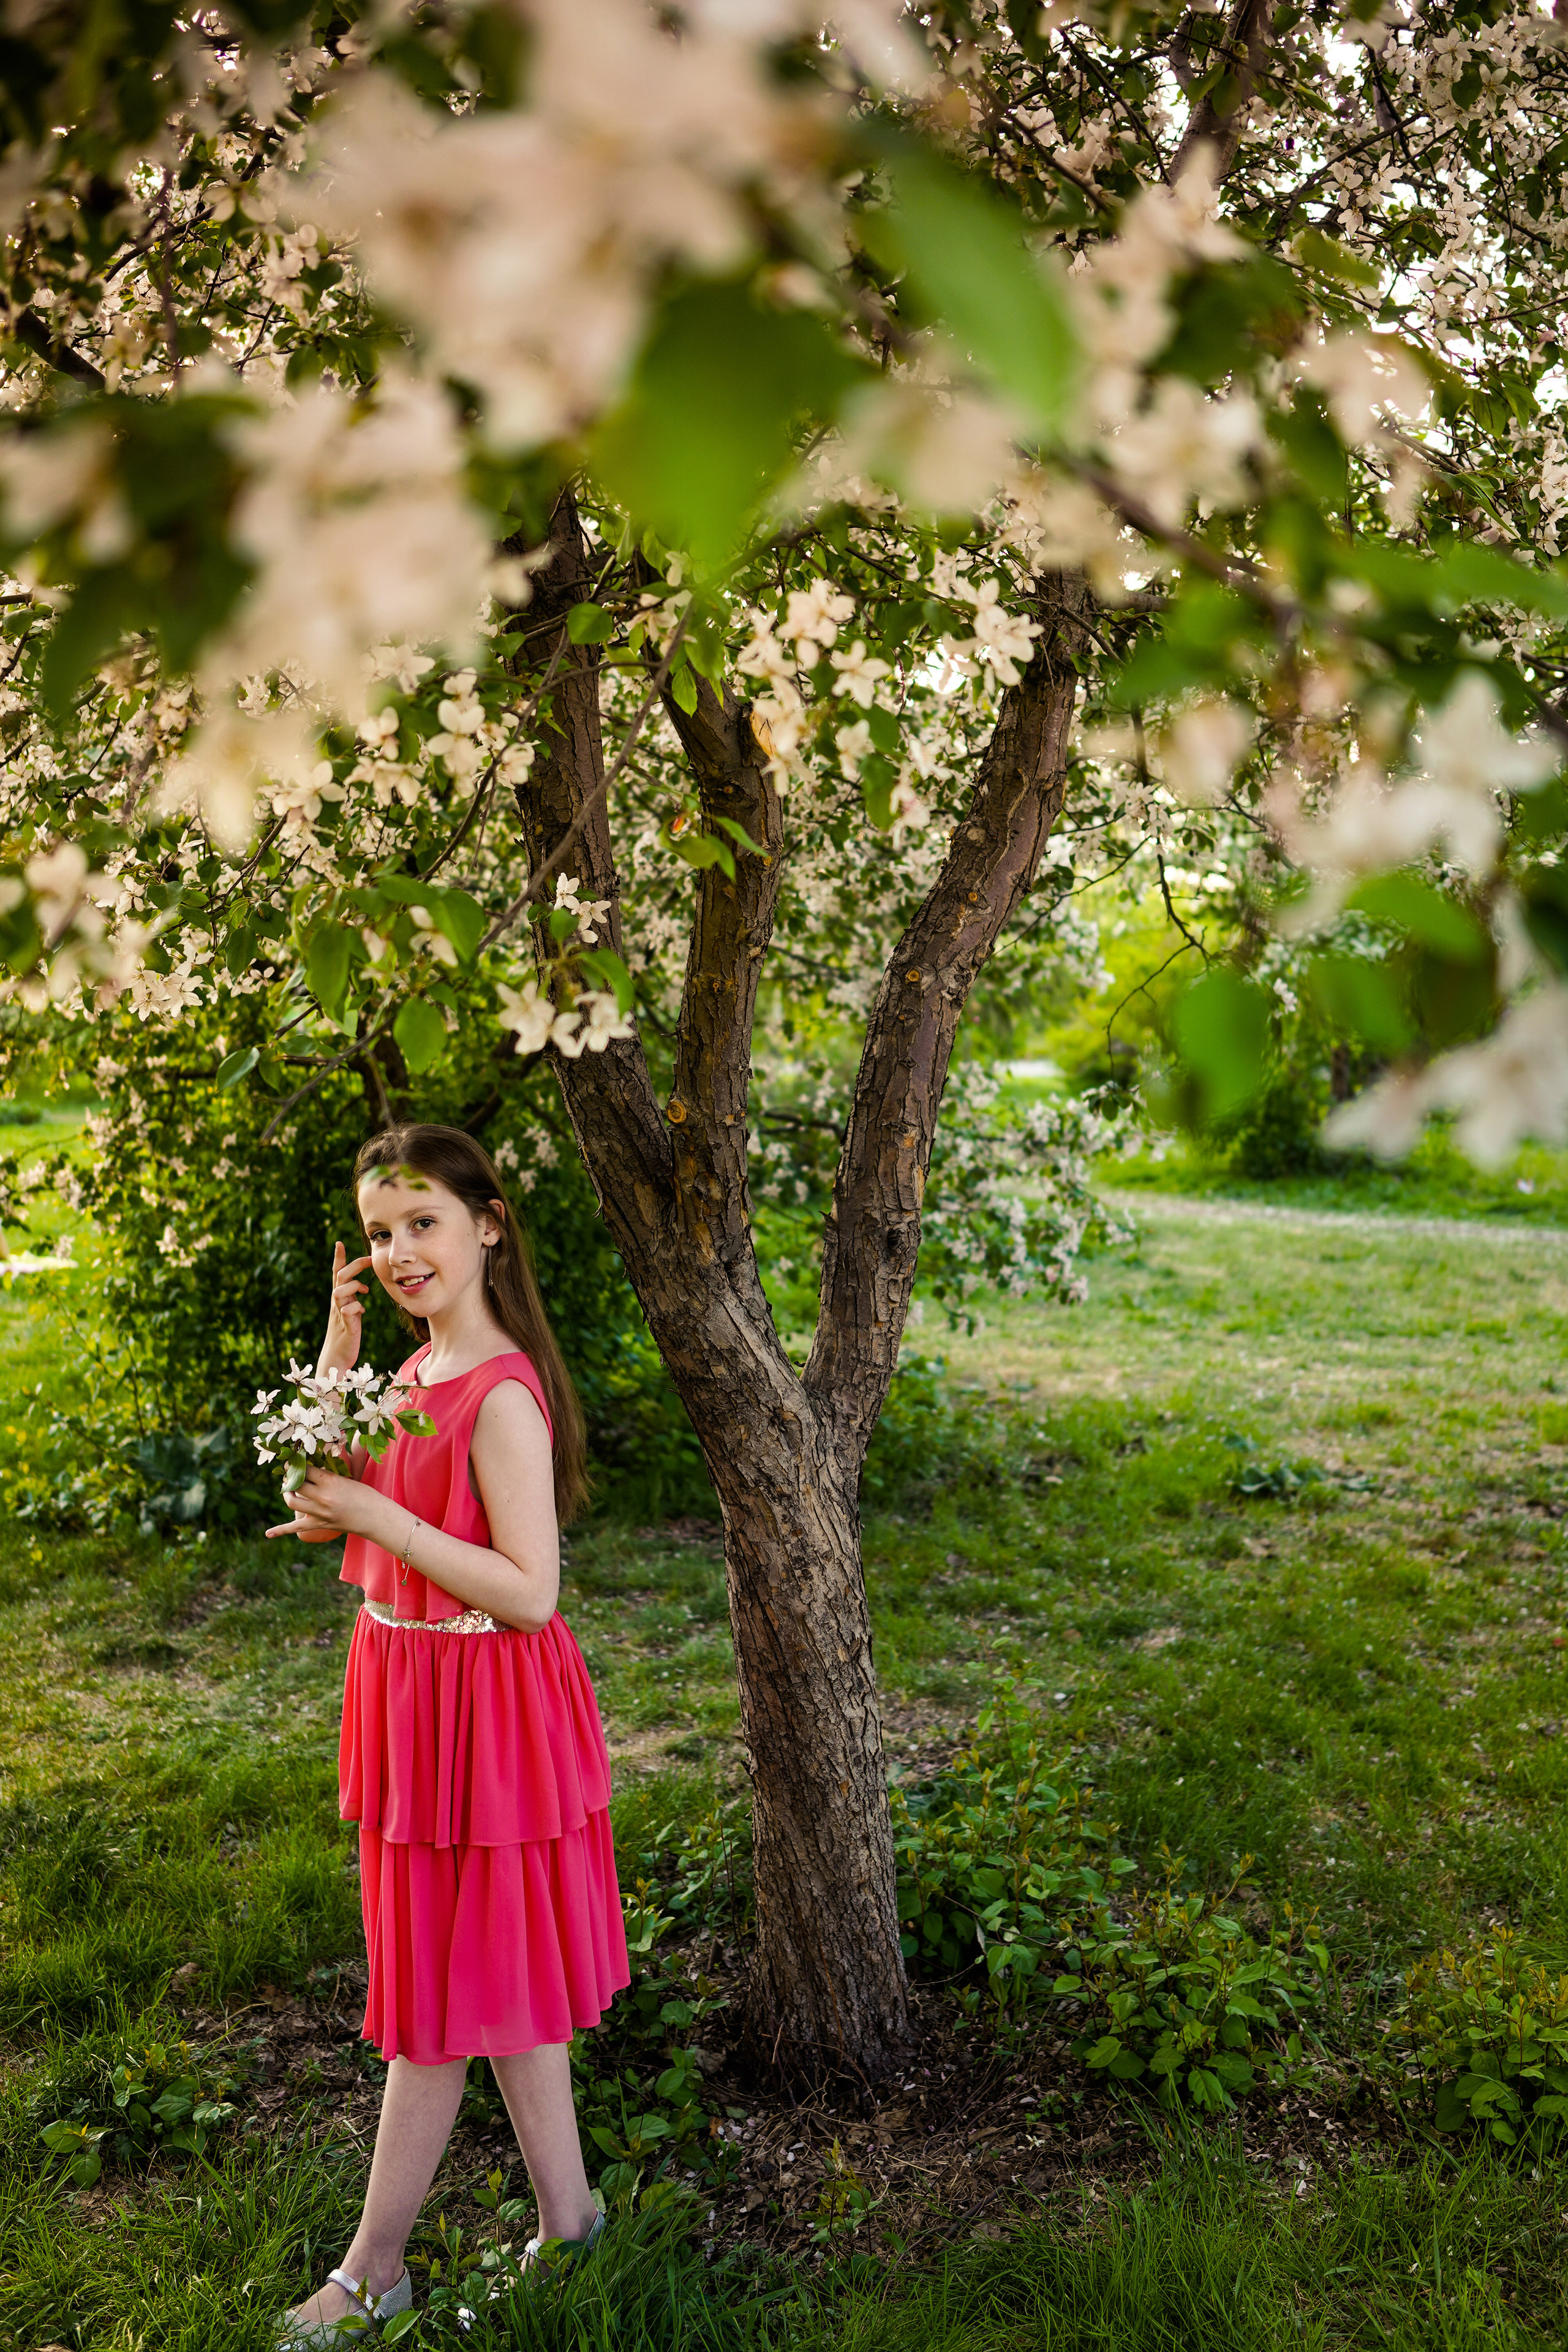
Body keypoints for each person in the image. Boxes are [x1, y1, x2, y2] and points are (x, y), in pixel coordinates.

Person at [268, 1123, 628, 2346]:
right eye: (381, 1232)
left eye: (423, 1222)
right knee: (491, 1980)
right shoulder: (408, 1373)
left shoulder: (501, 1392)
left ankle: (373, 2273)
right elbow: (323, 1505)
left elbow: (531, 1591)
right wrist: (337, 1359)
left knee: (435, 1992)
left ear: (488, 1226)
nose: (400, 1251)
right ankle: (572, 2226)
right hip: (410, 1694)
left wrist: (381, 1516)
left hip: (491, 1709)